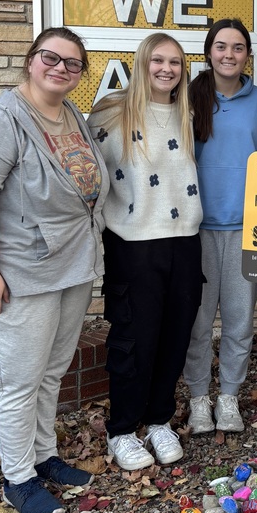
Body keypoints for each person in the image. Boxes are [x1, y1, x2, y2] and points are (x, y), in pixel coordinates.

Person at [0, 28, 108, 513]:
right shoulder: (0, 120)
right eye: (51, 57)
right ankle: (17, 478)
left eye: (73, 63)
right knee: (19, 380)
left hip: (68, 268)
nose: (61, 68)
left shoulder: (72, 117)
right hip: (17, 274)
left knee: (50, 372)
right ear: (30, 60)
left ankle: (42, 456)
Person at [89, 33, 203, 471]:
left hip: (185, 240)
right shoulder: (110, 112)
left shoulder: (188, 112)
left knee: (175, 336)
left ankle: (159, 420)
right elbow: (85, 173)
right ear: (142, 63)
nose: (166, 69)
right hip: (133, 243)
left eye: (175, 62)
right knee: (135, 339)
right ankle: (122, 429)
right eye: (158, 60)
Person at [183, 19, 257, 434]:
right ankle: (199, 399)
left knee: (239, 321)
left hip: (247, 228)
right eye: (221, 47)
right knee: (199, 322)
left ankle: (229, 398)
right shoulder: (188, 98)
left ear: (247, 56)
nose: (228, 54)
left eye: (237, 48)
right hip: (197, 228)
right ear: (209, 53)